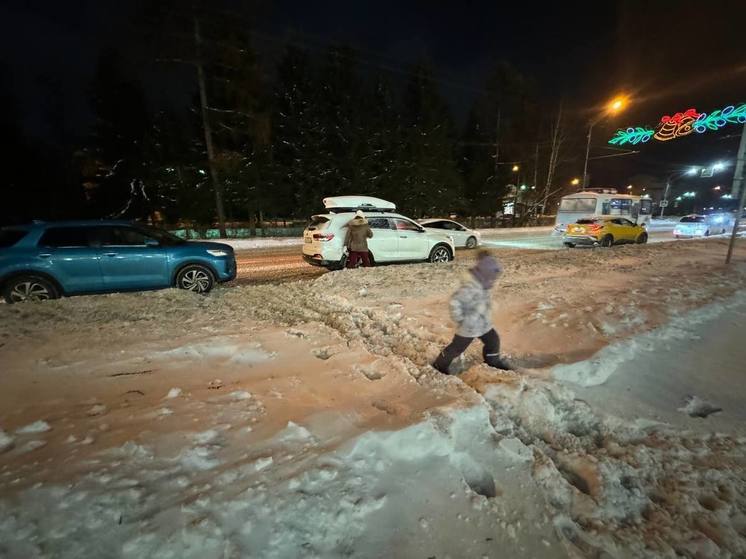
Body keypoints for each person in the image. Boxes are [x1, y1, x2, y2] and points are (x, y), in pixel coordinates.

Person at [433, 251, 511, 374]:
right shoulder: (469, 287)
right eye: (492, 277)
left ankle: (493, 361)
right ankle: (439, 365)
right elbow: (454, 302)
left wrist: (488, 306)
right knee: (456, 348)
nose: (494, 280)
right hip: (469, 326)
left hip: (483, 324)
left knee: (493, 341)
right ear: (486, 274)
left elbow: (482, 301)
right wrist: (462, 319)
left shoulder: (484, 285)